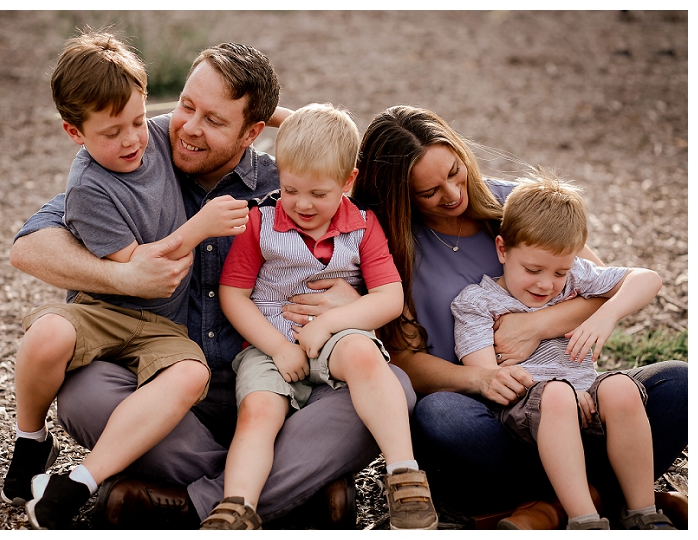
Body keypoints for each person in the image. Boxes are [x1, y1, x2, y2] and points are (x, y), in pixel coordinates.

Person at [9, 44, 415, 528]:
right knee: (85, 396)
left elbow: (347, 174)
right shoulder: (138, 149)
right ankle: (286, 492)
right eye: (185, 106)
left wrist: (349, 304)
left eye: (215, 121)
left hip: (272, 377)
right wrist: (123, 274)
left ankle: (187, 503)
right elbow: (29, 246)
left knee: (392, 389)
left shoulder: (285, 184)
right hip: (164, 381)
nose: (190, 128)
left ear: (253, 132)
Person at [347, 105, 688, 528]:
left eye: (454, 172)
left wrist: (535, 325)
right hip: (491, 412)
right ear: (400, 194)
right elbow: (400, 359)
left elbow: (596, 288)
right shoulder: (391, 245)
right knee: (439, 418)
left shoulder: (512, 203)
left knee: (678, 384)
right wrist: (481, 379)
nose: (453, 194)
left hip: (574, 398)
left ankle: (548, 509)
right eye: (429, 192)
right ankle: (603, 495)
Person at [1, 30, 253, 530]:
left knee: (191, 374)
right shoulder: (89, 189)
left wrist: (291, 121)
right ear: (75, 133)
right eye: (113, 131)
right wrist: (199, 227)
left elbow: (177, 117)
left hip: (161, 329)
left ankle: (80, 482)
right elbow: (145, 270)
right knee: (46, 335)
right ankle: (31, 438)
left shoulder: (155, 135)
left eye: (138, 120)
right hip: (106, 311)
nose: (134, 139)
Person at [199, 104, 436, 530]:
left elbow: (389, 298)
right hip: (271, 346)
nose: (301, 204)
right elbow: (234, 296)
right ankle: (236, 508)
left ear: (348, 182)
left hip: (337, 339)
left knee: (365, 356)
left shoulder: (363, 226)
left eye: (318, 194)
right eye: (290, 190)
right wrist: (277, 347)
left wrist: (328, 324)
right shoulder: (261, 222)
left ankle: (404, 477)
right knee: (258, 410)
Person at [451, 174, 674, 530]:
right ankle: (584, 520)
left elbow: (648, 278)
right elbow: (492, 377)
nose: (546, 284)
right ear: (502, 249)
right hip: (527, 409)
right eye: (533, 269)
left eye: (560, 272)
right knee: (555, 396)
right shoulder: (477, 303)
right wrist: (565, 394)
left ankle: (642, 513)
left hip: (586, 398)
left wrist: (607, 314)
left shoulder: (575, 278)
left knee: (621, 387)